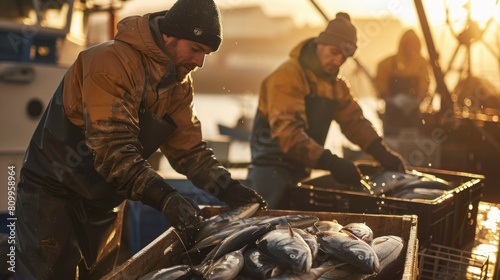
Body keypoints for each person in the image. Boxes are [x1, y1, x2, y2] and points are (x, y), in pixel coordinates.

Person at [15, 0, 267, 279]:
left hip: (104, 203)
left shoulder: (179, 85)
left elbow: (190, 151)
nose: (200, 62)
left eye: (205, 54)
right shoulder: (109, 63)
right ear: (169, 36)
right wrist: (165, 198)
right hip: (53, 194)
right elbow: (113, 150)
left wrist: (228, 188)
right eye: (195, 49)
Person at [247, 12, 407, 209]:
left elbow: (355, 122)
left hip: (302, 169)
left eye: (344, 57)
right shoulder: (287, 76)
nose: (338, 61)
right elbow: (289, 135)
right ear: (319, 44)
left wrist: (381, 151)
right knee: (267, 225)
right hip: (270, 171)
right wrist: (332, 163)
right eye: (334, 52)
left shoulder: (337, 86)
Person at [375, 29, 430, 136]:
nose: (412, 49)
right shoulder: (388, 63)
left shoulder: (422, 63)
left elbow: (425, 83)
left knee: (413, 138)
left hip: (413, 112)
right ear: (403, 45)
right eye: (409, 45)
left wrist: (418, 99)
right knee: (391, 139)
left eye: (415, 46)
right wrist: (389, 98)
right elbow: (380, 82)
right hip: (392, 111)